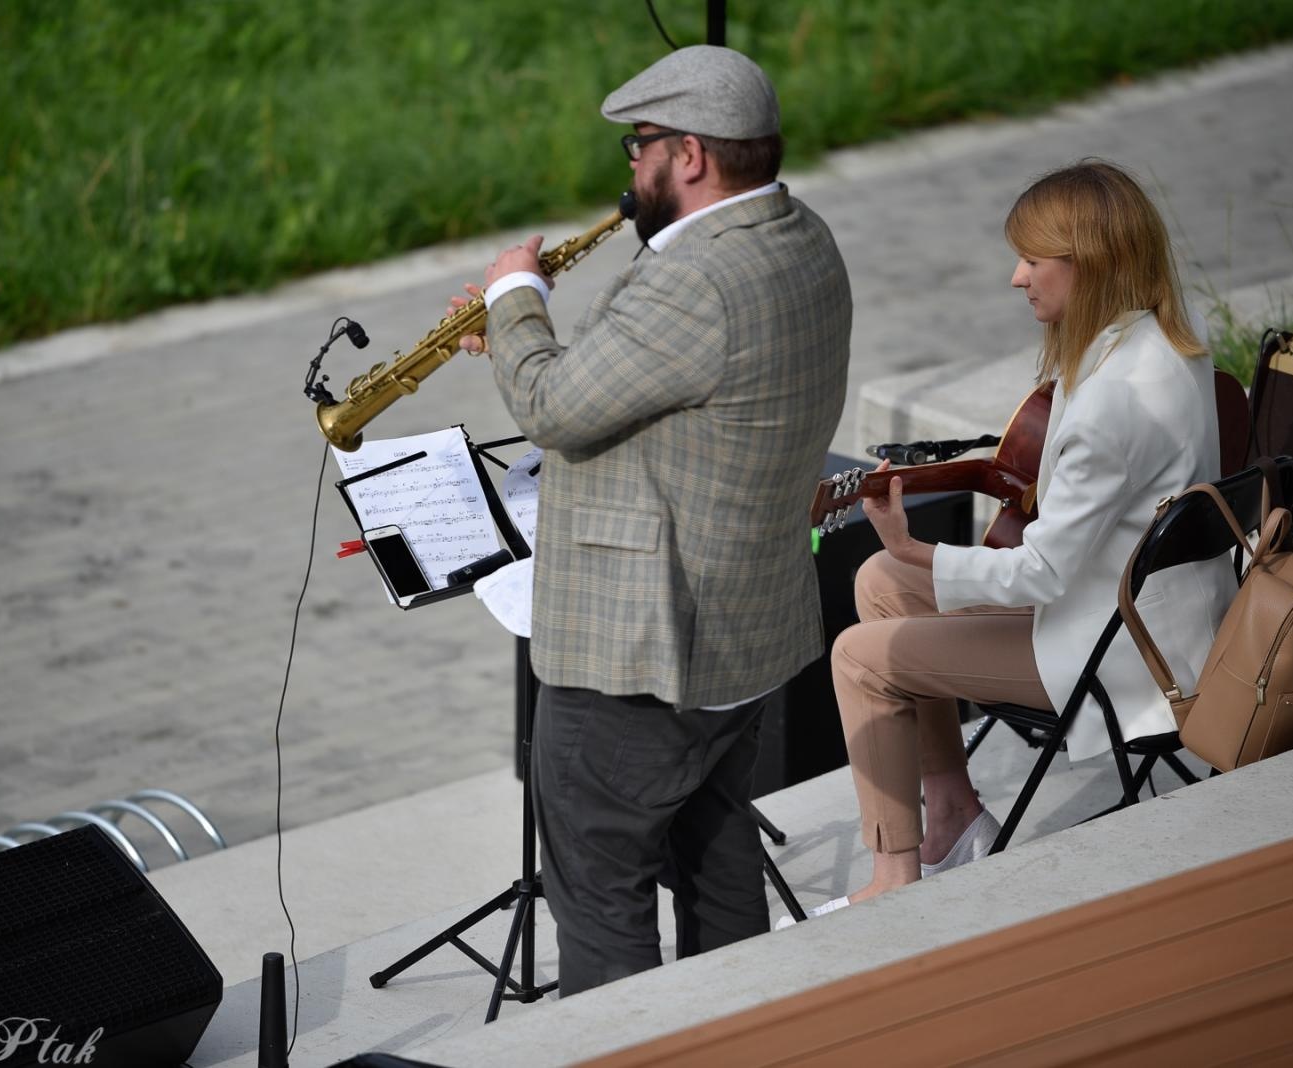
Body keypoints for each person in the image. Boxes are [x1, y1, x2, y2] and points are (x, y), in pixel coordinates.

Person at [449, 46, 853, 993]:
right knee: (716, 866)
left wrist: (515, 297)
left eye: (639, 149)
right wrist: (524, 332)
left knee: (597, 894)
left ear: (693, 156)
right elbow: (655, 377)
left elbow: (553, 409)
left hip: (642, 653)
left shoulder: (694, 282)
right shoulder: (800, 236)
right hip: (740, 637)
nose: (630, 172)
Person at [803, 159, 1236, 919]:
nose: (1016, 277)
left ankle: (893, 878)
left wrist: (920, 551)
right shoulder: (1170, 332)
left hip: (1114, 651)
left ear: (1091, 264)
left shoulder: (1111, 406)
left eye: (1034, 259)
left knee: (857, 657)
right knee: (877, 583)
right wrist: (907, 564)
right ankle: (953, 818)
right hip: (1153, 614)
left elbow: (1039, 574)